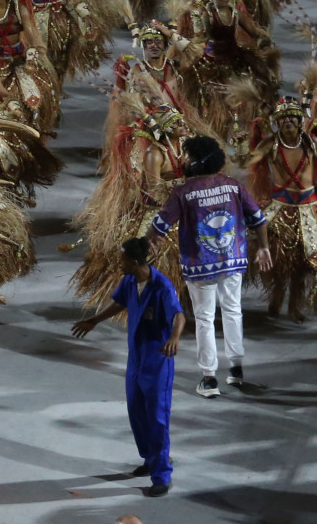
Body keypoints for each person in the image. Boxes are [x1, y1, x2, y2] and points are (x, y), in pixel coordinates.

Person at [151, 135, 271, 397]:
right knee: (233, 311)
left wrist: (147, 243)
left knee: (205, 318)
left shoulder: (184, 192)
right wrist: (263, 247)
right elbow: (259, 219)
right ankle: (236, 370)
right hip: (232, 260)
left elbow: (160, 226)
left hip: (200, 265)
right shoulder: (232, 186)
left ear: (195, 160)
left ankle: (209, 378)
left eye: (188, 156)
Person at [72, 237, 187, 495]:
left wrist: (174, 338)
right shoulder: (129, 281)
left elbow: (179, 315)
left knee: (157, 418)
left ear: (134, 262)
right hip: (135, 358)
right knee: (136, 411)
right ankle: (149, 459)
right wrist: (95, 320)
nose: (118, 263)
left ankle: (161, 475)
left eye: (122, 259)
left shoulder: (161, 287)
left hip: (158, 360)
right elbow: (120, 303)